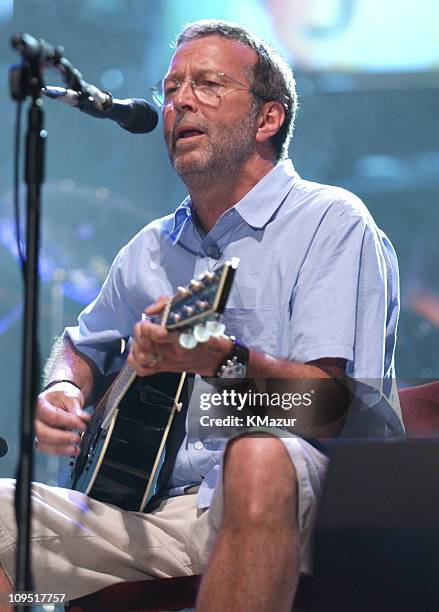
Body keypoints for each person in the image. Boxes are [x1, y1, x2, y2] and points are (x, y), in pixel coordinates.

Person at [0, 19, 404, 612]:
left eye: (209, 84)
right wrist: (63, 386)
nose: (180, 101)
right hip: (153, 513)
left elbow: (330, 410)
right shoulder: (150, 248)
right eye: (170, 90)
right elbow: (80, 342)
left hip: (310, 501)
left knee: (257, 455)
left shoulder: (331, 222)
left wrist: (227, 362)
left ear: (268, 119)